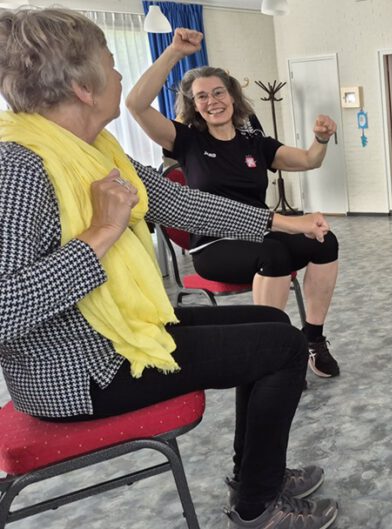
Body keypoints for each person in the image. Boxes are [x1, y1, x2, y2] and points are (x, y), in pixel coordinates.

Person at [0, 8, 338, 529]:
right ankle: (259, 507)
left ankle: (253, 474)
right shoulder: (20, 167)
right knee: (284, 348)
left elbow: (186, 207)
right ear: (81, 86)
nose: (118, 75)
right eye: (111, 64)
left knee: (272, 324)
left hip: (114, 336)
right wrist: (99, 236)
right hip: (77, 369)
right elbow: (5, 309)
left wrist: (283, 223)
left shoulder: (92, 148)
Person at [126, 28, 341, 378]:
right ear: (193, 106)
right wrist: (174, 53)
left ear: (232, 97)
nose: (212, 101)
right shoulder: (186, 140)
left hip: (261, 233)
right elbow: (136, 105)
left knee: (324, 241)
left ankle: (313, 341)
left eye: (218, 92)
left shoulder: (254, 142)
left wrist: (321, 139)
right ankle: (273, 353)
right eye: (202, 97)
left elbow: (308, 160)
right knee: (275, 253)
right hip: (214, 245)